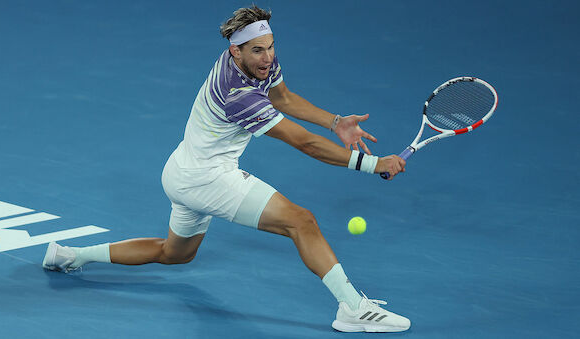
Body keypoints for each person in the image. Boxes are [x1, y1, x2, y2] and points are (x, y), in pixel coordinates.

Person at [42, 5, 409, 333]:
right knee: (302, 221)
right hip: (208, 177)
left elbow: (282, 97)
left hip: (181, 171)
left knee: (175, 254)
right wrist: (373, 164)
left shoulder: (251, 60)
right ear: (236, 51)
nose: (268, 58)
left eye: (271, 46)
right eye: (258, 50)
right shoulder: (238, 95)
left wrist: (335, 122)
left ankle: (71, 256)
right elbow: (303, 143)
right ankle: (353, 308)